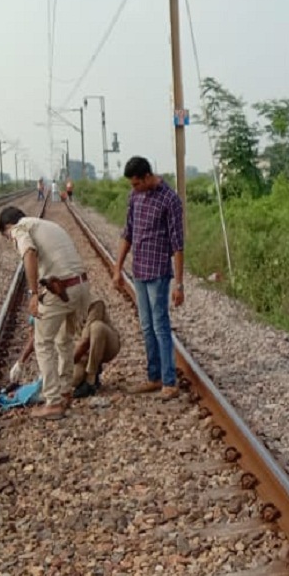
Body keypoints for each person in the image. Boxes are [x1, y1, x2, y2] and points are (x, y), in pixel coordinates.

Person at [0, 206, 91, 420]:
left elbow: (29, 253)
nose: (10, 240)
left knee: (42, 343)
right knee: (63, 340)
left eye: (6, 236)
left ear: (7, 227)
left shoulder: (19, 228)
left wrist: (33, 293)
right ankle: (65, 391)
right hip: (80, 287)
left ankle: (53, 402)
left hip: (60, 288)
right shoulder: (48, 225)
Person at [113, 156, 185, 400]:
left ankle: (169, 381)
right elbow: (128, 233)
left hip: (158, 273)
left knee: (160, 325)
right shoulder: (135, 197)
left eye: (136, 184)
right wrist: (118, 268)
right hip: (139, 272)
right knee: (146, 326)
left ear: (147, 177)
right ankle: (153, 377)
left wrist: (180, 284)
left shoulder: (169, 199)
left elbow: (178, 244)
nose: (134, 189)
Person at [8, 299, 120, 398]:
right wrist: (20, 362)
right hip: (82, 352)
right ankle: (86, 374)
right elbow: (41, 333)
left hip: (106, 344)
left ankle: (90, 381)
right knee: (74, 379)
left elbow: (85, 341)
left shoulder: (95, 302)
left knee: (96, 328)